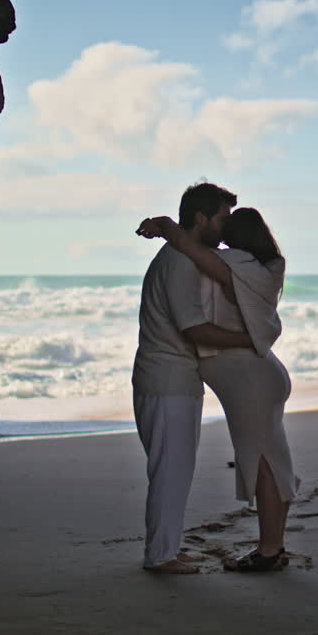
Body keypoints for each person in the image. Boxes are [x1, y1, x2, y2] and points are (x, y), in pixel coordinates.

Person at [136, 207, 297, 572]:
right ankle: (273, 548)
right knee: (273, 459)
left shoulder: (236, 264)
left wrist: (167, 226)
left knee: (262, 461)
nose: (220, 237)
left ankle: (269, 550)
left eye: (226, 228)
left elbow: (195, 253)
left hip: (249, 380)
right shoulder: (267, 265)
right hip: (260, 374)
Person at [131, 182, 254, 575]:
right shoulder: (181, 262)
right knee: (170, 471)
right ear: (201, 218)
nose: (226, 227)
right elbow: (194, 328)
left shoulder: (180, 255)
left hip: (169, 378)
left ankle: (167, 549)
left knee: (175, 469)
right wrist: (249, 339)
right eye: (222, 218)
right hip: (167, 380)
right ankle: (160, 556)